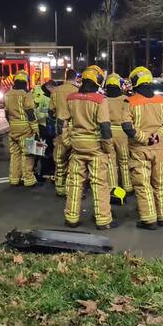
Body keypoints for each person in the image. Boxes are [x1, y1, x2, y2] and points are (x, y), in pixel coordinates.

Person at [63, 66, 118, 230]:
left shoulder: (71, 98)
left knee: (74, 183)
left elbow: (63, 123)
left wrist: (68, 141)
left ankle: (71, 218)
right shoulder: (101, 100)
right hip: (95, 148)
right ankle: (103, 220)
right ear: (97, 81)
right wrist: (108, 148)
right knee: (99, 184)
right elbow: (105, 128)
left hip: (77, 147)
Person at [124, 69, 163, 230]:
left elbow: (127, 127)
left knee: (143, 184)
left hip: (140, 149)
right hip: (159, 149)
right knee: (160, 183)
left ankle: (149, 220)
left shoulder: (130, 102)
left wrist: (144, 138)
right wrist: (157, 136)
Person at [4, 70, 38, 188]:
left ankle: (14, 178)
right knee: (28, 154)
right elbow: (31, 114)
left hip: (13, 128)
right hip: (25, 129)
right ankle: (28, 179)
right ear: (25, 82)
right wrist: (36, 130)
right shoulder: (26, 95)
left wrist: (12, 124)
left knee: (15, 154)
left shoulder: (8, 94)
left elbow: (6, 113)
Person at [49, 69, 80, 196]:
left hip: (60, 128)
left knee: (60, 158)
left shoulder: (56, 91)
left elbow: (50, 111)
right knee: (74, 159)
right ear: (76, 78)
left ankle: (60, 187)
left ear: (66, 77)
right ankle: (71, 188)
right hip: (75, 129)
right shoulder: (78, 91)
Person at [103, 73, 132, 194]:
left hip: (108, 133)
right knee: (125, 161)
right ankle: (128, 186)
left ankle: (113, 187)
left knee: (110, 161)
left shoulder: (103, 100)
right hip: (123, 133)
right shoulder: (125, 99)